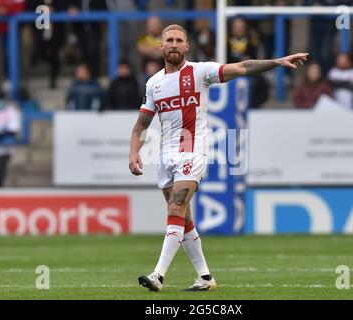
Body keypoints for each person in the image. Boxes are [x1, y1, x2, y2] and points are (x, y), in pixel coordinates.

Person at [129, 24, 308, 292]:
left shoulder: (201, 72)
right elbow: (141, 125)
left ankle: (158, 275)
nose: (175, 44)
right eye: (170, 40)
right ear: (161, 46)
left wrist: (276, 62)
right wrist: (134, 152)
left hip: (194, 150)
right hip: (165, 155)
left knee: (175, 209)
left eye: (180, 40)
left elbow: (243, 67)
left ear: (187, 46)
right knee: (183, 217)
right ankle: (205, 277)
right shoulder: (153, 83)